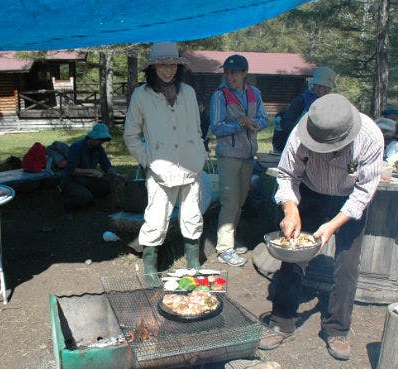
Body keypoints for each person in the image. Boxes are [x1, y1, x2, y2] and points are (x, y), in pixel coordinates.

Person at [258, 93, 383, 361]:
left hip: (349, 199)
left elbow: (364, 191)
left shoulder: (370, 137)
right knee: (293, 254)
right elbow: (287, 175)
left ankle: (336, 329)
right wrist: (290, 209)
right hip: (311, 193)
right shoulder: (302, 132)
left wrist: (333, 225)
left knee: (347, 264)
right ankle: (282, 320)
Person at [124, 42, 207, 276]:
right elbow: (130, 135)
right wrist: (147, 160)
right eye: (162, 64)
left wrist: (200, 152)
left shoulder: (188, 92)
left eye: (172, 64)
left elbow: (197, 129)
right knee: (155, 219)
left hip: (191, 165)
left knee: (192, 216)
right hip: (161, 169)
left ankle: (193, 263)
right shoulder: (141, 95)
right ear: (153, 66)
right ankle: (151, 269)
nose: (168, 69)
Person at [209, 54, 268, 267]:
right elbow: (216, 127)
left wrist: (254, 123)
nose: (230, 76)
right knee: (230, 202)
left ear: (245, 74)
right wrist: (239, 124)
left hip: (247, 155)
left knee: (240, 202)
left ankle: (230, 239)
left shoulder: (255, 93)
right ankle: (224, 248)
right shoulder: (220, 96)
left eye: (234, 72)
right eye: (227, 72)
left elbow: (264, 119)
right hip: (228, 156)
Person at [61, 122, 125, 212]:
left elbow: (106, 166)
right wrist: (90, 171)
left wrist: (116, 175)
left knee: (108, 185)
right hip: (72, 181)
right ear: (93, 137)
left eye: (103, 140)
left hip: (87, 180)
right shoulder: (76, 147)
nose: (102, 142)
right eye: (101, 140)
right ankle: (69, 201)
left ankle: (89, 197)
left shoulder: (99, 148)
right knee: (84, 197)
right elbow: (70, 170)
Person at [280, 66, 337, 146]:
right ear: (314, 84)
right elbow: (286, 123)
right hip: (300, 143)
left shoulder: (333, 103)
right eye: (319, 85)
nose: (321, 89)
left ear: (330, 88)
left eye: (325, 86)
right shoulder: (301, 100)